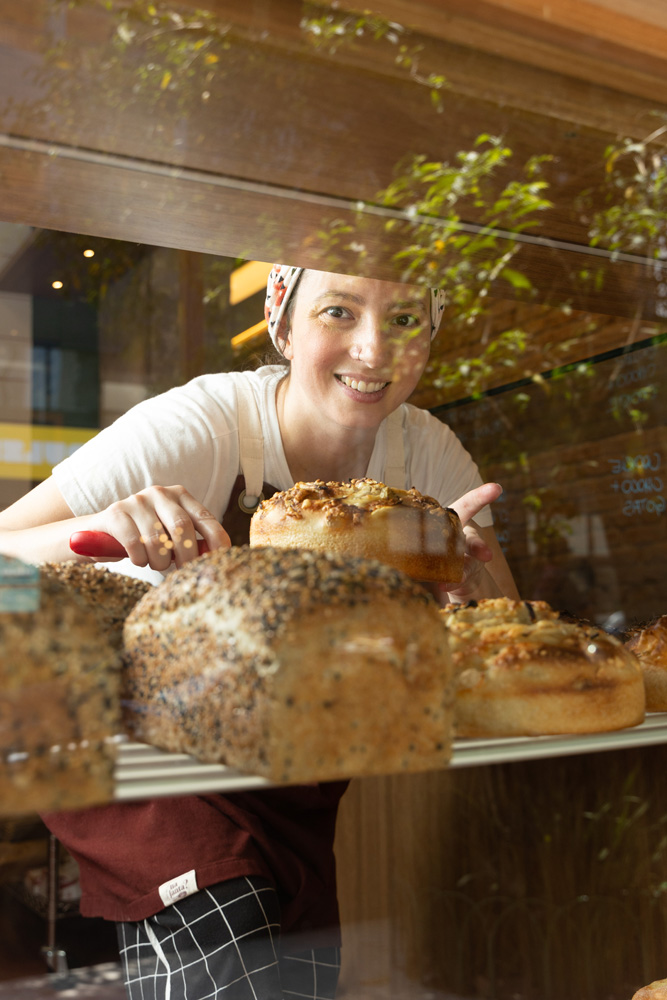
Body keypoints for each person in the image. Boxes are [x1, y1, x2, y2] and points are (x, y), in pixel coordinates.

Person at [0, 264, 519, 1000]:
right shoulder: (200, 423)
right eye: (339, 312)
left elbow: (503, 620)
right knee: (234, 961)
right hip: (155, 772)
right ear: (281, 323)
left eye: (404, 320)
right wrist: (97, 526)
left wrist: (471, 587)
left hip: (296, 770)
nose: (372, 350)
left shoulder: (429, 457)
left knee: (300, 980)